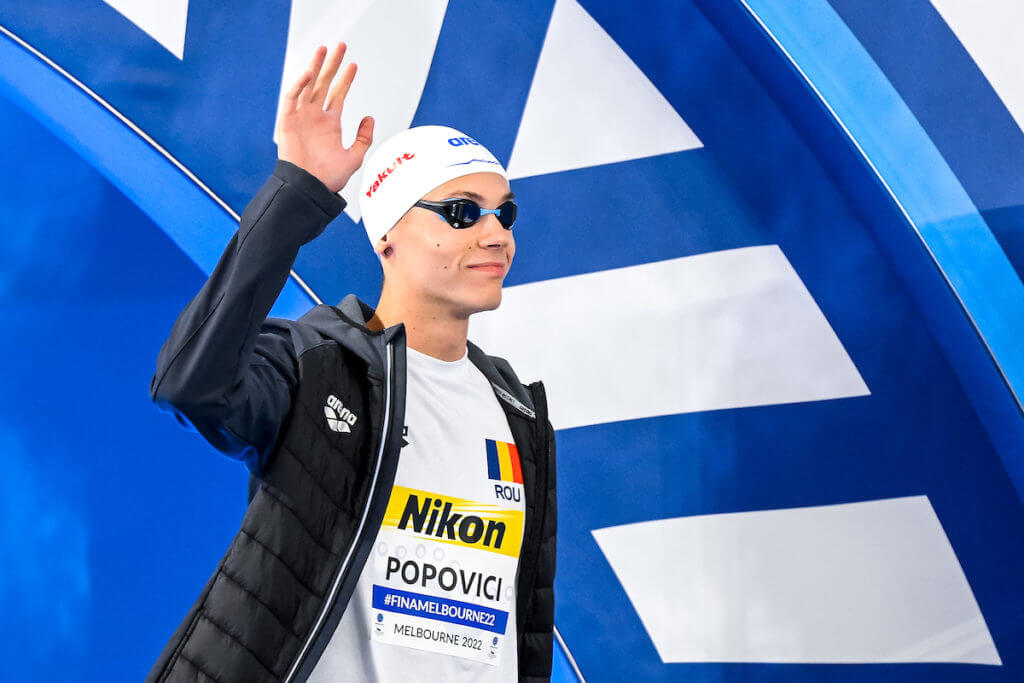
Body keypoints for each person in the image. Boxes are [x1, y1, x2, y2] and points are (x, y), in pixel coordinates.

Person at [145, 42, 557, 682]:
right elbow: (190, 384)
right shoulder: (318, 366)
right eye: (460, 213)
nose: (494, 233)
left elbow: (522, 624)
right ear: (387, 233)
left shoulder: (518, 410)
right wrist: (294, 193)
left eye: (504, 213)